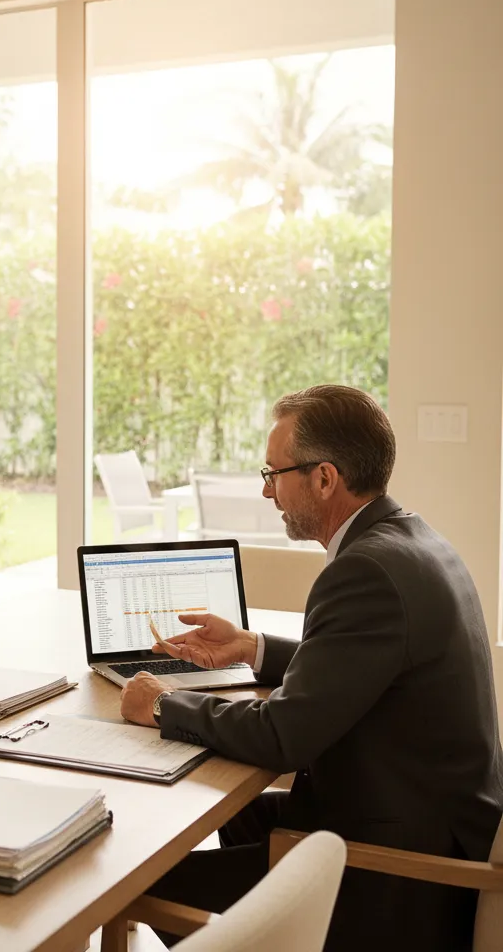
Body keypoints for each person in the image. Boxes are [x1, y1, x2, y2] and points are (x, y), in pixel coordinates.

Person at [120, 384, 503, 951]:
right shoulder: (414, 540)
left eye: (274, 474)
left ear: (324, 478)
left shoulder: (365, 570)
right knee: (241, 813)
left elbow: (283, 738)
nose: (269, 492)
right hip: (422, 820)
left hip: (404, 874)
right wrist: (252, 647)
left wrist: (160, 703)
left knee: (139, 880)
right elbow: (368, 667)